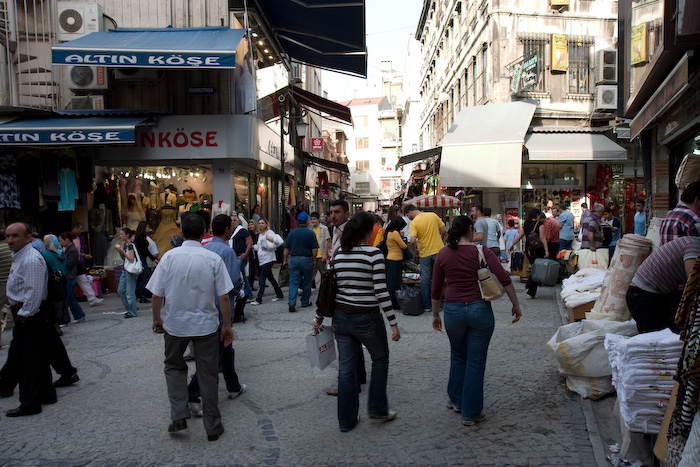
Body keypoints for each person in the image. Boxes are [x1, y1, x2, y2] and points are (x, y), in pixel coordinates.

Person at [311, 211, 401, 432]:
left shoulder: (339, 253)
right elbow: (381, 291)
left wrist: (319, 317)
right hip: (367, 317)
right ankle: (378, 408)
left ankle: (346, 420)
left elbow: (330, 288)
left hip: (341, 318)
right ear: (367, 231)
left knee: (346, 369)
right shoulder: (374, 254)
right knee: (380, 358)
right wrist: (393, 323)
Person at [147, 214, 233, 441]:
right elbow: (223, 296)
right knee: (208, 374)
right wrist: (227, 325)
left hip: (175, 325)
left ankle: (178, 415)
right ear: (205, 231)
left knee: (174, 367)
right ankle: (213, 426)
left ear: (181, 233)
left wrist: (157, 319)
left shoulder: (168, 258)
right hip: (206, 325)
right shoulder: (212, 259)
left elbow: (156, 295)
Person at [431, 216, 521, 426]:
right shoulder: (481, 251)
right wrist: (515, 304)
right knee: (475, 361)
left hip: (453, 311)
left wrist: (435, 314)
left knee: (458, 355)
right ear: (471, 230)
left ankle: (456, 400)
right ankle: (471, 413)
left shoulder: (443, 254)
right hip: (479, 309)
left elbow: (435, 289)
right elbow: (504, 278)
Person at [187, 214, 247, 417]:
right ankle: (192, 392)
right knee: (216, 354)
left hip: (204, 303)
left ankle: (233, 386)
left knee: (226, 350)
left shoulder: (205, 248)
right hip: (221, 307)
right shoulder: (227, 252)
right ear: (228, 230)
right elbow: (231, 282)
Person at [1, 223, 54, 417]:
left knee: (27, 360)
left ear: (27, 237)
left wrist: (25, 314)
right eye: (7, 236)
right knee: (35, 356)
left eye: (15, 236)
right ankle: (46, 394)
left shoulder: (30, 259)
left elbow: (34, 291)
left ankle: (30, 402)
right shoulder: (21, 257)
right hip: (24, 312)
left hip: (29, 314)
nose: (10, 240)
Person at [626, 236, 700, 333]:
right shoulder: (694, 246)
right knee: (654, 339)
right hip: (643, 295)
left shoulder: (691, 243)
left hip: (652, 294)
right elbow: (694, 281)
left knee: (662, 335)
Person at [405, 204, 447, 313]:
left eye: (408, 215)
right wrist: (441, 240)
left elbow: (413, 240)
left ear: (410, 212)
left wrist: (415, 251)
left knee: (425, 279)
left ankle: (427, 306)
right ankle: (440, 303)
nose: (408, 217)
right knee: (439, 277)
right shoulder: (433, 215)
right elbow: (444, 231)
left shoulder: (414, 223)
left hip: (425, 254)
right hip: (439, 251)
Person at [283, 212, 318, 313]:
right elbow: (314, 249)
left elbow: (286, 248)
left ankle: (292, 302)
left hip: (294, 259)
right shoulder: (311, 233)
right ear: (307, 221)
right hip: (307, 260)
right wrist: (314, 260)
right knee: (307, 282)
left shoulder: (292, 233)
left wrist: (285, 260)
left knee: (293, 282)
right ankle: (304, 301)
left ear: (298, 221)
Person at [509, 209, 546, 299]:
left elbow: (519, 236)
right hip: (538, 249)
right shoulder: (540, 224)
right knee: (536, 270)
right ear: (537, 215)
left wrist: (512, 245)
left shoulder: (527, 224)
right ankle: (530, 290)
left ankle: (531, 290)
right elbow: (542, 238)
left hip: (529, 250)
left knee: (534, 269)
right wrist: (547, 250)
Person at [251, 218, 284, 305]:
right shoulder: (260, 235)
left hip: (268, 258)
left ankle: (259, 298)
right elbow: (258, 247)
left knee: (262, 278)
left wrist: (270, 239)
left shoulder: (269, 232)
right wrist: (251, 246)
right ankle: (279, 293)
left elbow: (277, 242)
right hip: (262, 259)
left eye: (262, 223)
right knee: (270, 278)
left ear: (266, 224)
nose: (260, 225)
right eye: (259, 223)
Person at [69, 223, 103, 307]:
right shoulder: (68, 238)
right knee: (71, 282)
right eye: (80, 229)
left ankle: (91, 298)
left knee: (83, 279)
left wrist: (83, 255)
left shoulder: (77, 238)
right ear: (75, 228)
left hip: (77, 262)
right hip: (71, 262)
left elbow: (76, 251)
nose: (81, 230)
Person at [58, 232, 86, 323]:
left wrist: (61, 260)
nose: (60, 243)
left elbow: (69, 264)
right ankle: (79, 315)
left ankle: (64, 319)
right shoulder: (68, 249)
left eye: (61, 241)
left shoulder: (72, 250)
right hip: (68, 275)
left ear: (66, 240)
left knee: (66, 298)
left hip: (70, 276)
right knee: (70, 298)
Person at [383, 216, 408, 310]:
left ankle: (390, 302)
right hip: (396, 259)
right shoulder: (395, 233)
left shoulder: (388, 232)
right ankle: (395, 303)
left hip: (390, 258)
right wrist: (402, 238)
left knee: (391, 282)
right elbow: (404, 246)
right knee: (396, 283)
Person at [229, 213, 255, 302]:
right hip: (233, 256)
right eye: (231, 221)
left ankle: (248, 295)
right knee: (241, 276)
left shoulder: (242, 231)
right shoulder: (230, 232)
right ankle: (247, 295)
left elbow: (249, 242)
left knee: (241, 276)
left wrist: (246, 254)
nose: (233, 222)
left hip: (240, 256)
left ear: (238, 221)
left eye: (234, 220)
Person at [114, 227, 139, 319]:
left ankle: (132, 311)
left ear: (127, 235)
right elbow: (125, 259)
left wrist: (122, 251)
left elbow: (131, 259)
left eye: (122, 234)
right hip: (125, 269)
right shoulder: (125, 245)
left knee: (130, 292)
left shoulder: (131, 245)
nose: (120, 236)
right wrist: (121, 252)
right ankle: (131, 308)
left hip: (130, 270)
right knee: (121, 290)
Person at [134, 221, 157, 304]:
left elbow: (146, 251)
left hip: (143, 259)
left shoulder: (143, 237)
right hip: (141, 260)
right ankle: (142, 296)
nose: (148, 228)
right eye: (147, 227)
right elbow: (141, 250)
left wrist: (153, 259)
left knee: (144, 277)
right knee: (144, 277)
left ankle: (140, 294)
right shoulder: (139, 238)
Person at [309, 212, 330, 289]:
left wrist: (325, 254)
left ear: (318, 219)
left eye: (314, 219)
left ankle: (324, 288)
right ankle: (311, 286)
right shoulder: (310, 229)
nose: (312, 221)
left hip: (321, 254)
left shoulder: (324, 228)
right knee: (311, 273)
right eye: (311, 219)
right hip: (313, 255)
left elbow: (326, 241)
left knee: (323, 273)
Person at [247, 220, 259, 291]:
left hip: (257, 253)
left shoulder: (258, 233)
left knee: (254, 269)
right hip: (251, 253)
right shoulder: (249, 234)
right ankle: (250, 285)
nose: (251, 226)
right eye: (249, 225)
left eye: (252, 225)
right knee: (251, 270)